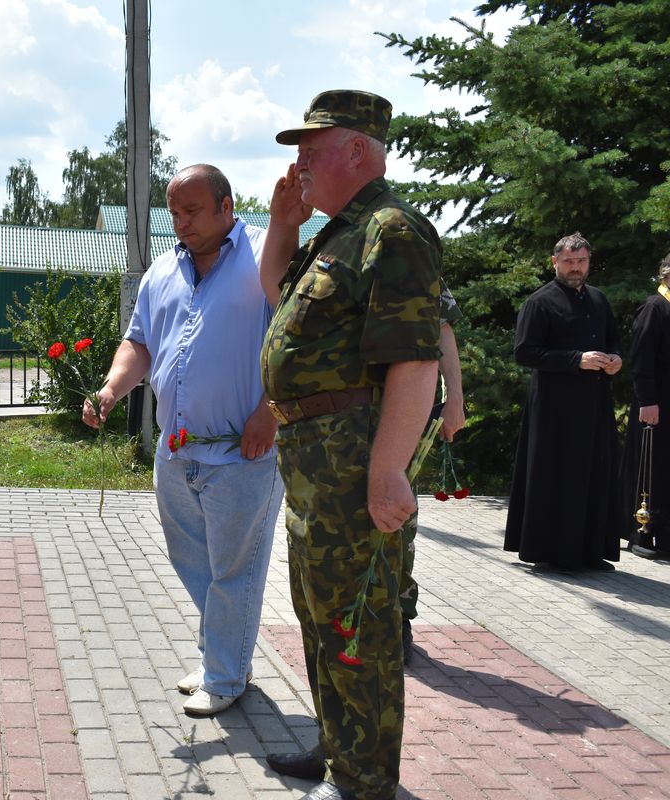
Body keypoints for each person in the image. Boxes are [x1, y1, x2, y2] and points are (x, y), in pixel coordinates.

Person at [259, 90, 442, 800]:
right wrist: (282, 222)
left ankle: (365, 781)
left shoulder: (390, 231)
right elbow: (275, 292)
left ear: (357, 150)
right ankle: (339, 748)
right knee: (318, 613)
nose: (298, 162)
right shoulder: (336, 234)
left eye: (311, 147)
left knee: (356, 626)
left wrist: (388, 471)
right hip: (313, 463)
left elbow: (416, 361)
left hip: (351, 461)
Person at [83, 164, 285, 717]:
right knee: (193, 563)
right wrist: (111, 388)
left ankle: (224, 674)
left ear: (227, 206)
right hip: (175, 454)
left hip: (245, 453)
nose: (181, 223)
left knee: (234, 569)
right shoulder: (161, 273)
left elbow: (300, 344)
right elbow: (139, 344)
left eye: (192, 211)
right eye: (174, 212)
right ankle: (225, 655)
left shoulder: (266, 255)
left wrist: (270, 410)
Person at [504, 232, 624, 572]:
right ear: (555, 262)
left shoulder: (599, 300)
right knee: (557, 475)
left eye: (581, 261)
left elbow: (614, 340)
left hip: (595, 404)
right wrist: (576, 360)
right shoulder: (539, 302)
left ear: (589, 262)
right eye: (569, 262)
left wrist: (616, 359)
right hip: (554, 408)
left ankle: (591, 551)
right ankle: (552, 553)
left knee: (593, 473)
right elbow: (525, 352)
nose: (575, 268)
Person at [399, 291, 465, 664]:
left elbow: (443, 327)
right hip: (342, 417)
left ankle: (399, 615)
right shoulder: (332, 250)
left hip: (406, 408)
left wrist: (455, 396)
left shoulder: (415, 252)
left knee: (399, 518)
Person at [622, 254, 670, 559]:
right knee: (649, 469)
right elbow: (640, 359)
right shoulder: (655, 307)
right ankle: (640, 534)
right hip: (654, 403)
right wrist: (647, 400)